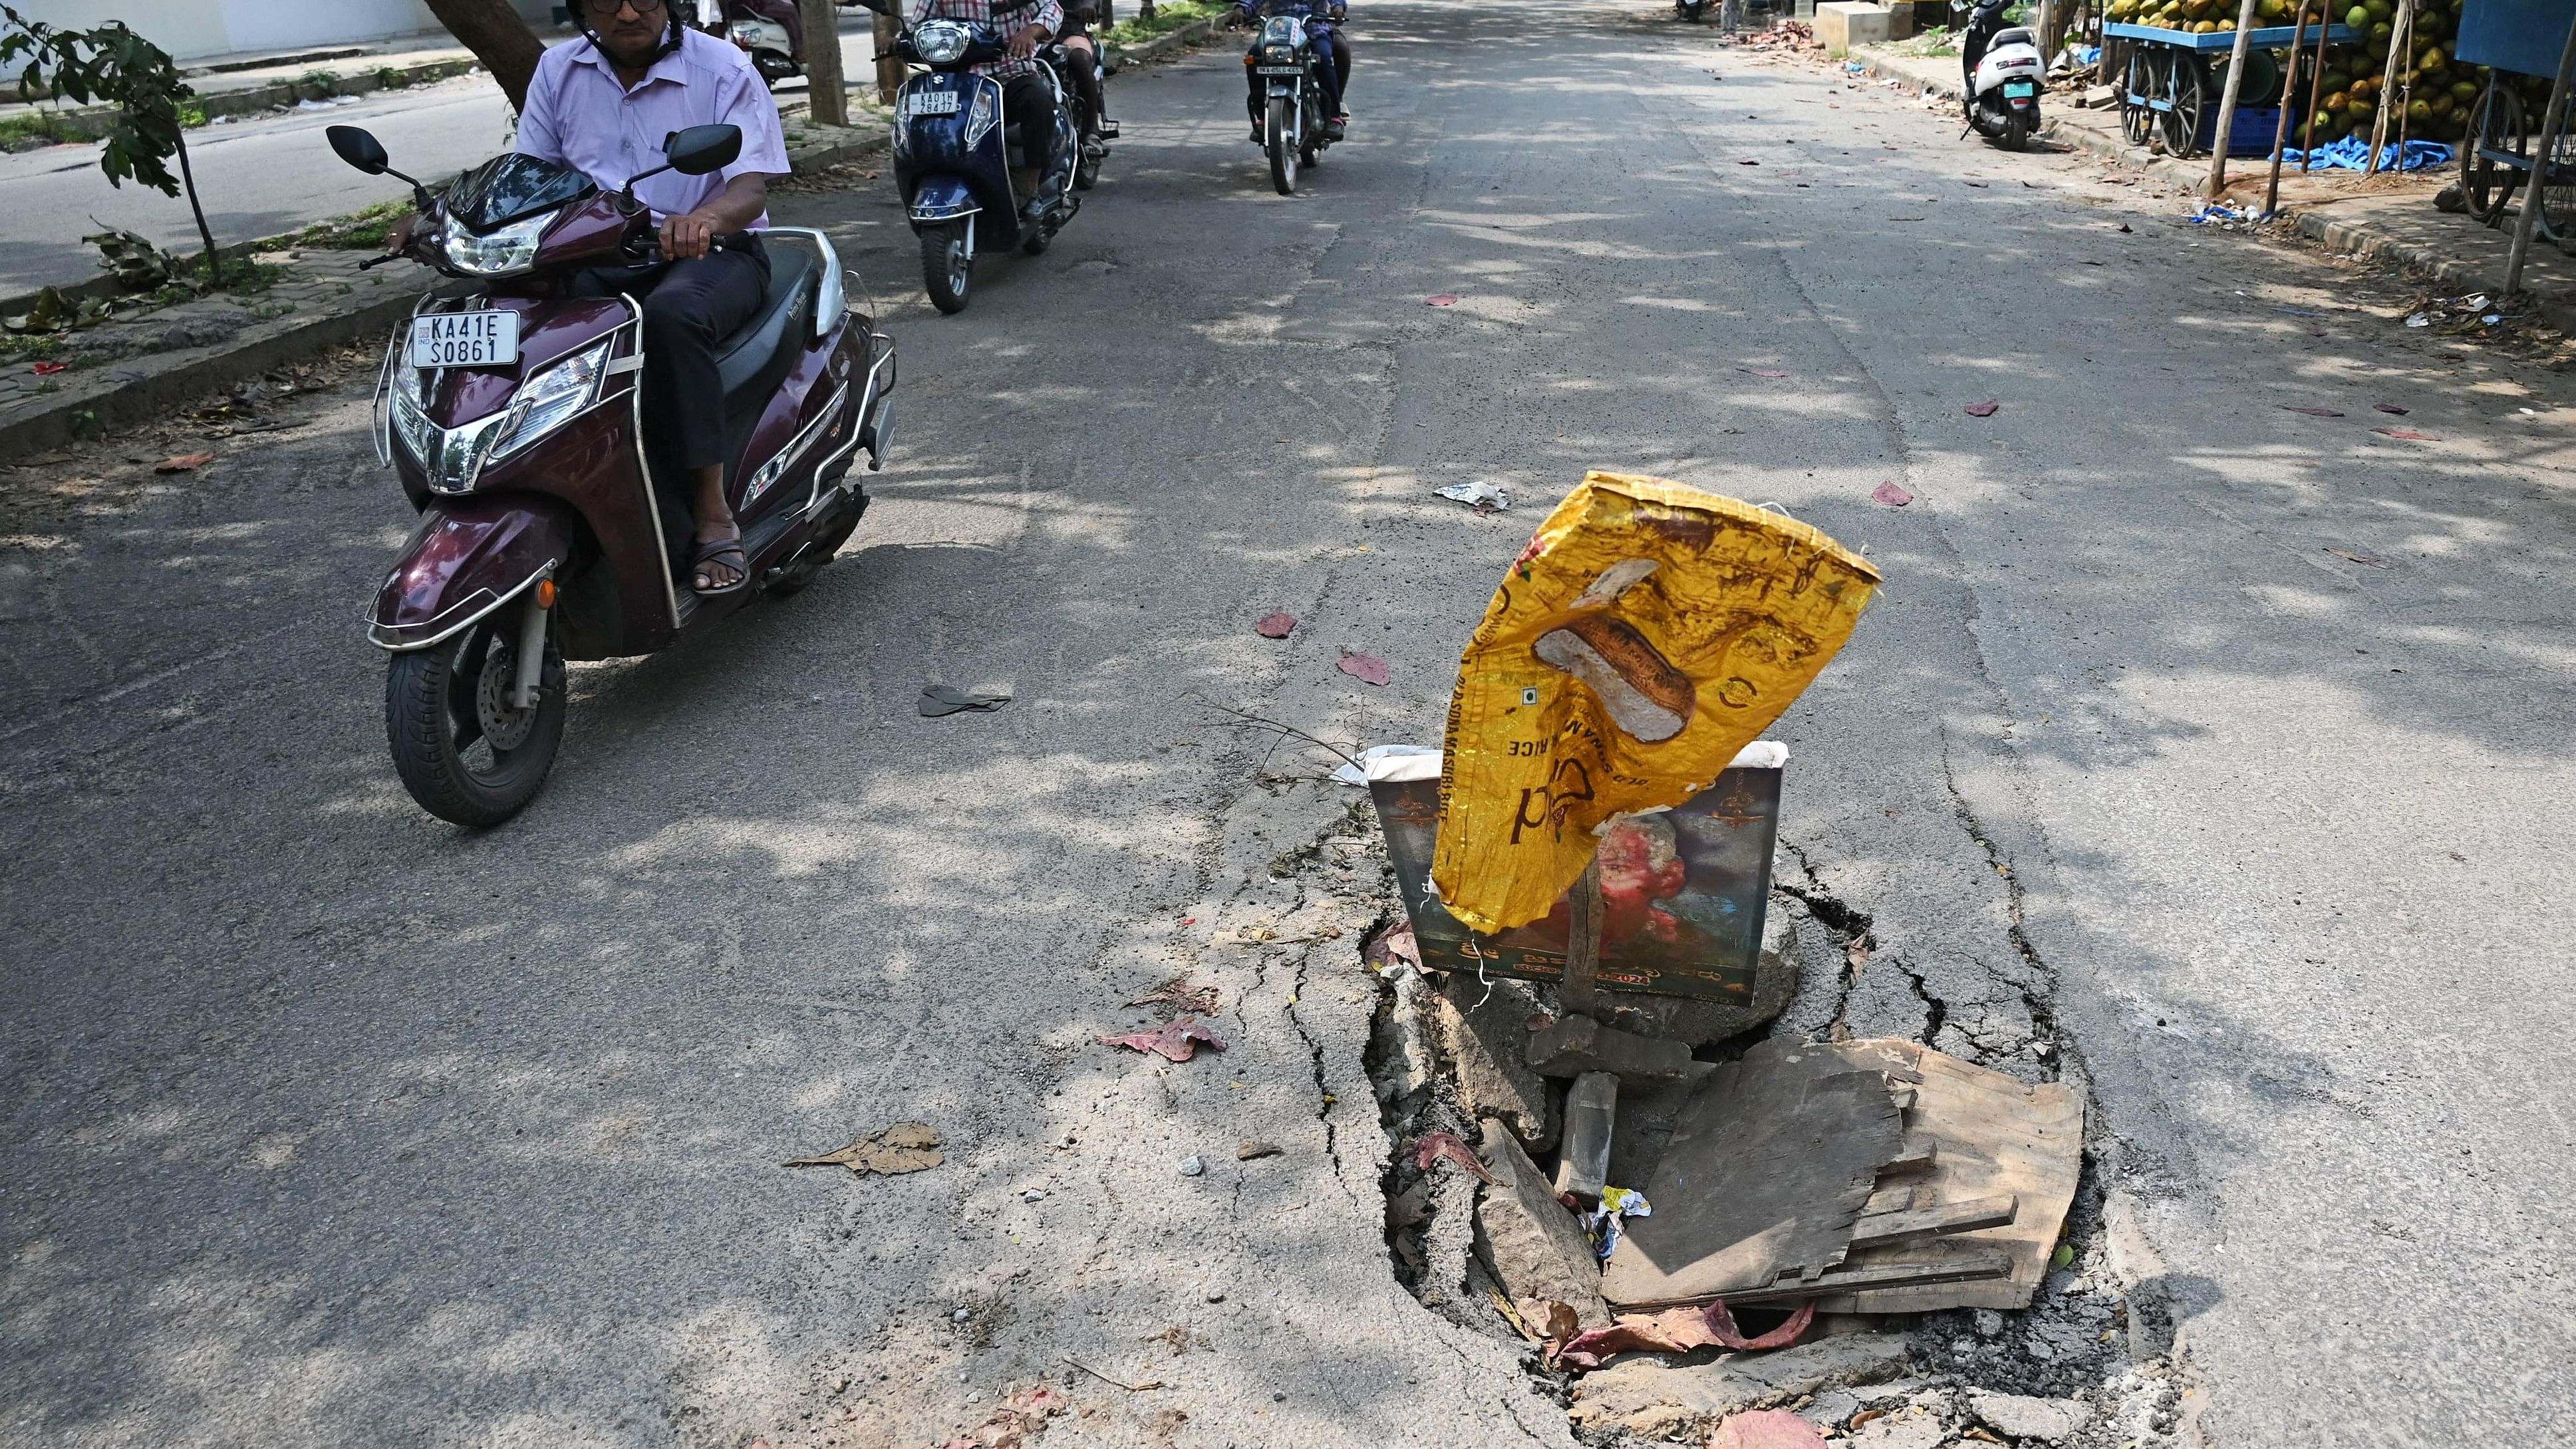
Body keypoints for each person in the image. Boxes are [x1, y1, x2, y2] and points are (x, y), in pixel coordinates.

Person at [407, 0, 791, 596]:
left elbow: (750, 183)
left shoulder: (722, 67)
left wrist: (705, 219)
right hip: (595, 252)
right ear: (584, 8)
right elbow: (528, 174)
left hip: (707, 252)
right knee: (518, 320)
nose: (629, 11)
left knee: (670, 318)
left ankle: (713, 514)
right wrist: (440, 218)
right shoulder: (558, 70)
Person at [909, 0, 1071, 220]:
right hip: (962, 81)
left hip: (1011, 73)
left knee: (1038, 102)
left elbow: (1053, 9)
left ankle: (1029, 187)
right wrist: (898, 40)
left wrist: (1029, 32)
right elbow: (919, 26)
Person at [1237, 0, 1348, 144]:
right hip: (1280, 32)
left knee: (1324, 58)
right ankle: (1263, 118)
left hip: (1314, 29)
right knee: (1255, 57)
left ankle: (1334, 116)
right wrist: (1241, 9)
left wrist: (1338, 7)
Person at [1056, 0, 1116, 158]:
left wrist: (1089, 4)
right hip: (1027, 36)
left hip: (1069, 33)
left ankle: (1092, 131)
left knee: (1079, 60)